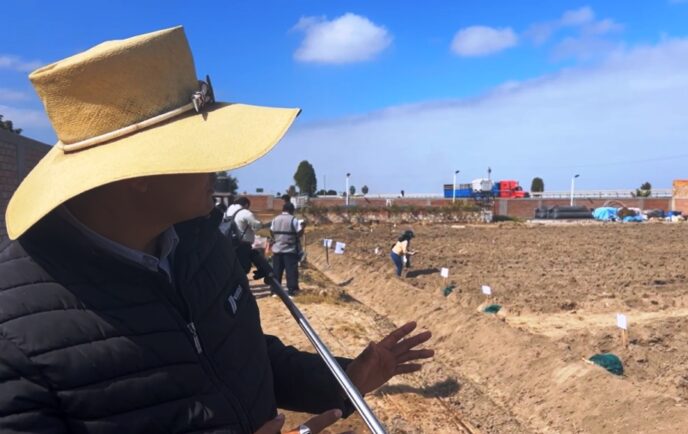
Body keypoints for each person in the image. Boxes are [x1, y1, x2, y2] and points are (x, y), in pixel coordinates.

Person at [0, 27, 433, 434]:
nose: (217, 168)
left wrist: (343, 379)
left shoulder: (201, 243)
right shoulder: (15, 331)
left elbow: (242, 353)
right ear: (137, 172)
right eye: (200, 149)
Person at [270, 202, 303, 296]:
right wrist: (303, 228)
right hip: (289, 249)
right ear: (292, 210)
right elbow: (299, 233)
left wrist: (277, 238)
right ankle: (292, 291)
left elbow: (271, 231)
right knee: (291, 271)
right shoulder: (293, 219)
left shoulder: (275, 219)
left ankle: (275, 291)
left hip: (277, 249)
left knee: (276, 271)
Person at [225, 196, 263, 271]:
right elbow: (256, 225)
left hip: (228, 243)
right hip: (243, 245)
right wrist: (261, 224)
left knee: (231, 267)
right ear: (246, 205)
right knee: (243, 267)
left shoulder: (227, 211)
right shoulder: (245, 212)